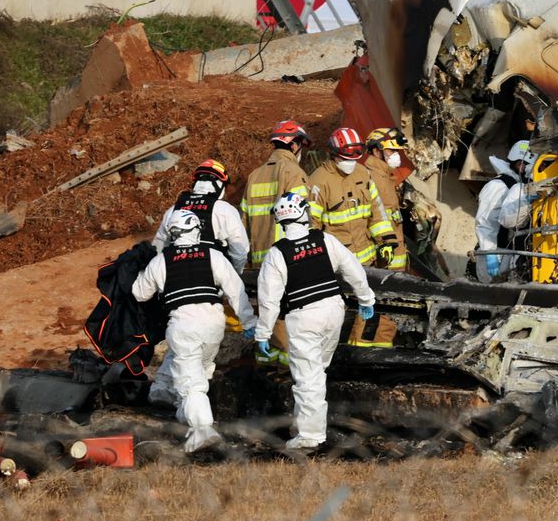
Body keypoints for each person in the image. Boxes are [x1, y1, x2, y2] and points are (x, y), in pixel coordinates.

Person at [254, 193, 376, 452]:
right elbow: (353, 269)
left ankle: (310, 436)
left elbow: (268, 300)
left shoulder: (277, 254)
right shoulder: (325, 239)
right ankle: (303, 426)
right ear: (304, 214)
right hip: (334, 309)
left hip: (304, 315)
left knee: (308, 377)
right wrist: (366, 299)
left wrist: (263, 333)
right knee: (315, 371)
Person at [132, 210, 258, 454]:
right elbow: (235, 289)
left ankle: (202, 430)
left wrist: (137, 271)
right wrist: (249, 321)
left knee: (191, 383)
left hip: (184, 324)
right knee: (200, 372)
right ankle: (187, 419)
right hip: (213, 324)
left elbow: (140, 293)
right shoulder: (212, 255)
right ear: (196, 230)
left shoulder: (162, 261)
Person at [305, 127, 398, 267]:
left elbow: (377, 213)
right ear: (334, 153)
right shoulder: (318, 181)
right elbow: (311, 226)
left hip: (368, 262)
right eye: (346, 157)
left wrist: (386, 242)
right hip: (339, 265)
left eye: (355, 157)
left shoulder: (363, 173)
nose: (351, 162)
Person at [151, 159, 248, 272]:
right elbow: (239, 251)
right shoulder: (225, 210)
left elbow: (158, 248)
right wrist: (235, 274)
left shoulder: (173, 210)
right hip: (212, 280)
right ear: (221, 186)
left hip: (176, 277)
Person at [242, 120, 313, 268]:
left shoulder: (254, 176)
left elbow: (244, 221)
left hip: (259, 261)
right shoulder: (293, 172)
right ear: (294, 145)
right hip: (288, 259)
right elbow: (304, 217)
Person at [474, 139, 533, 280]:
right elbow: (485, 222)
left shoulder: (523, 187)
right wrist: (489, 253)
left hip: (512, 254)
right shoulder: (499, 186)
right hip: (497, 254)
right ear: (519, 164)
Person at [363, 127, 409, 272]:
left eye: (397, 151)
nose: (396, 155)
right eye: (391, 151)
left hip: (395, 248)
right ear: (377, 151)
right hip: (387, 255)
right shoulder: (371, 178)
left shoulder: (385, 176)